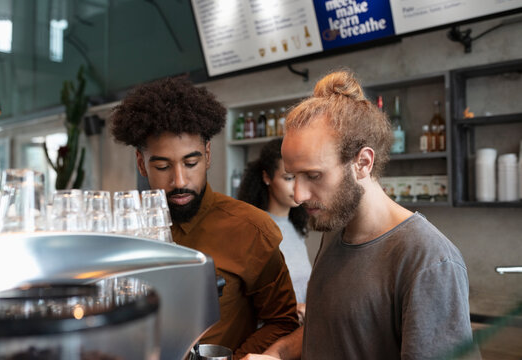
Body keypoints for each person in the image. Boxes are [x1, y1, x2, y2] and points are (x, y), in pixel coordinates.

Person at [244, 70, 475, 359]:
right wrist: (276, 355)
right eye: (292, 176)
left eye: (313, 175)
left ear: (362, 163)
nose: (299, 195)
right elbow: (329, 329)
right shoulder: (335, 234)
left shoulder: (427, 259)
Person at [109, 76, 299, 359]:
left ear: (208, 156)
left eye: (191, 163)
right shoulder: (121, 227)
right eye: (162, 166)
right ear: (141, 163)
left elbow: (282, 322)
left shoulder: (251, 229)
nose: (179, 180)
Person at [238, 138, 312, 324]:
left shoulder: (296, 227)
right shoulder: (256, 230)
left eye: (301, 176)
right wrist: (291, 310)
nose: (297, 186)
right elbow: (247, 302)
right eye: (288, 178)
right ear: (266, 178)